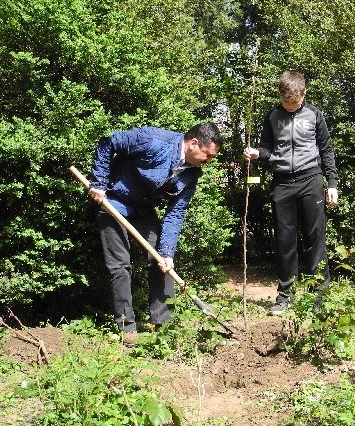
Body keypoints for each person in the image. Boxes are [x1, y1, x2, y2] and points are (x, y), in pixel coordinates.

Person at [88, 122, 222, 344]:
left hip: (143, 210)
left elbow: (175, 213)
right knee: (120, 265)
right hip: (113, 200)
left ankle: (164, 325)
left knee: (162, 261)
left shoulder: (192, 174)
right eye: (207, 156)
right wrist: (99, 182)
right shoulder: (153, 140)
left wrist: (167, 251)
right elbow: (109, 142)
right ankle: (126, 326)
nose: (208, 162)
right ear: (193, 144)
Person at [244, 71, 338, 314]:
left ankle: (320, 297)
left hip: (311, 180)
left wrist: (333, 184)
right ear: (280, 96)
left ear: (303, 94)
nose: (290, 106)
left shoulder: (314, 114)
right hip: (282, 182)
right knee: (285, 241)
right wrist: (257, 153)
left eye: (294, 102)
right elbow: (266, 149)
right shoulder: (273, 116)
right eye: (286, 101)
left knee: (315, 238)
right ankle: (285, 295)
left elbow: (327, 151)